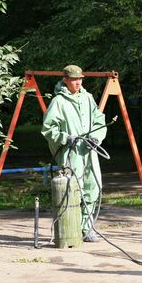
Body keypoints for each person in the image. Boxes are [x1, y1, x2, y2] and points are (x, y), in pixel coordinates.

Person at [41, 65, 107, 243]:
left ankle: (87, 227)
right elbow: (48, 129)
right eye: (74, 79)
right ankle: (72, 229)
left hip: (89, 151)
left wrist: (96, 136)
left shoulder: (88, 98)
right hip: (71, 153)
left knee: (93, 187)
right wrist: (65, 137)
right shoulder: (58, 102)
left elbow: (100, 120)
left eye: (80, 79)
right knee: (72, 190)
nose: (78, 82)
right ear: (65, 80)